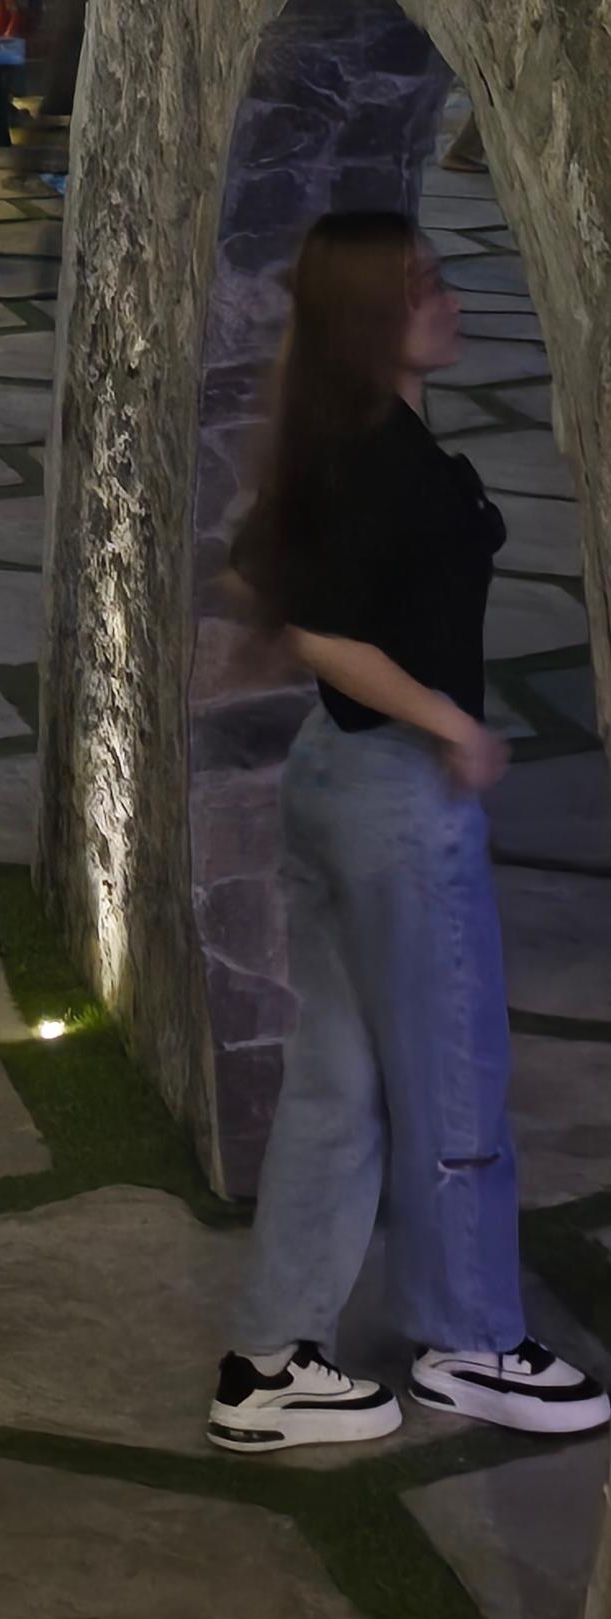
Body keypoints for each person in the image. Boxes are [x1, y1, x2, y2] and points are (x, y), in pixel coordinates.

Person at [208, 211, 609, 1454]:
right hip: (391, 795)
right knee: (448, 1072)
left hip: (335, 780)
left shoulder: (346, 439)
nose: (447, 297)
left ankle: (268, 1363)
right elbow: (315, 627)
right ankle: (470, 1339)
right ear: (371, 318)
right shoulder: (374, 454)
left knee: (337, 1082)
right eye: (422, 284)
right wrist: (448, 723)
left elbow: (256, 576)